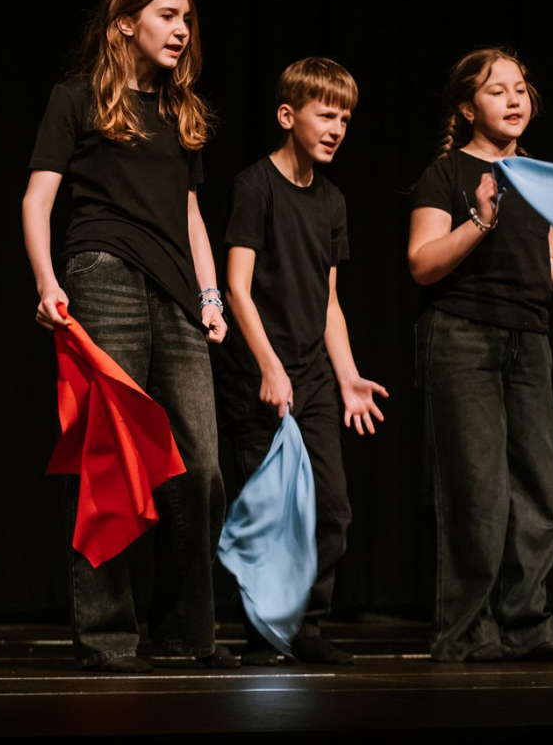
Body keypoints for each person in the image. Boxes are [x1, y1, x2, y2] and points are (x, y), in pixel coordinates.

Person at [21, 0, 234, 673]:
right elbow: (37, 200)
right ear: (123, 24)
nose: (181, 29)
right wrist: (47, 282)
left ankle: (185, 631)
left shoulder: (180, 111)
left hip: (177, 292)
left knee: (199, 468)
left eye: (186, 18)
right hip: (102, 275)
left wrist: (211, 296)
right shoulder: (76, 99)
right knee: (109, 458)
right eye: (166, 15)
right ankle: (108, 635)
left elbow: (192, 214)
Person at [407, 48, 553, 663]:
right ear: (468, 108)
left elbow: (544, 266)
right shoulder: (446, 173)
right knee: (477, 491)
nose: (514, 100)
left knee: (538, 490)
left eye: (520, 89)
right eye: (497, 91)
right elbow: (422, 263)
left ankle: (526, 625)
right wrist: (480, 222)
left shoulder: (541, 178)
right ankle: (467, 632)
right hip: (462, 336)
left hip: (529, 339)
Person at [221, 57, 386, 666]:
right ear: (288, 116)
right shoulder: (255, 186)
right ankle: (264, 634)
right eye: (326, 115)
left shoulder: (332, 201)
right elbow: (237, 287)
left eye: (345, 119)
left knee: (331, 506)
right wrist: (268, 365)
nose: (337, 128)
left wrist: (347, 376)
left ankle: (307, 625)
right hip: (258, 374)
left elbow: (330, 300)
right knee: (269, 508)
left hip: (314, 376)